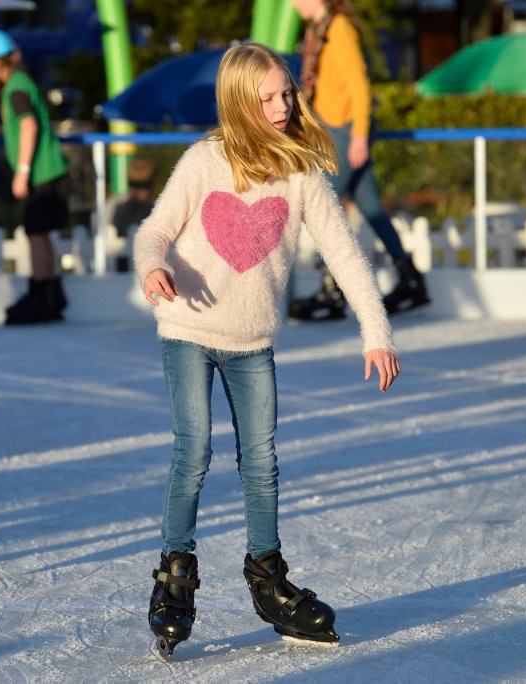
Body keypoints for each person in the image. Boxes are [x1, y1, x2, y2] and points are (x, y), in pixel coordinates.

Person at [132, 43, 400, 660]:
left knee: (262, 459)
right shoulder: (205, 161)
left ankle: (267, 576)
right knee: (193, 450)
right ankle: (175, 573)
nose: (281, 107)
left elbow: (343, 252)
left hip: (252, 341)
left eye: (286, 94)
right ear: (238, 102)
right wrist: (152, 270)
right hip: (189, 328)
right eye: (268, 98)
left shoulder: (302, 170)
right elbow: (154, 231)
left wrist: (376, 331)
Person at [287, 0, 429, 320]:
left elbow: (359, 86)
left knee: (325, 204)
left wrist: (360, 135)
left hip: (347, 129)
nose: (293, 3)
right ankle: (410, 279)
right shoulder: (319, 31)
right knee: (371, 206)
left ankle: (333, 290)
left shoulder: (338, 29)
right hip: (335, 128)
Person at [0, 28, 70, 325]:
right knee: (41, 235)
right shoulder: (22, 81)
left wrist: (22, 172)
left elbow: (29, 126)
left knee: (35, 235)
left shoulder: (15, 87)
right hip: (50, 172)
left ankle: (40, 296)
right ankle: (52, 295)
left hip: (40, 174)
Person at [111, 156, 158, 239]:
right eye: (133, 184)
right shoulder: (120, 209)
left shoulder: (155, 210)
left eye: (144, 185)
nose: (138, 191)